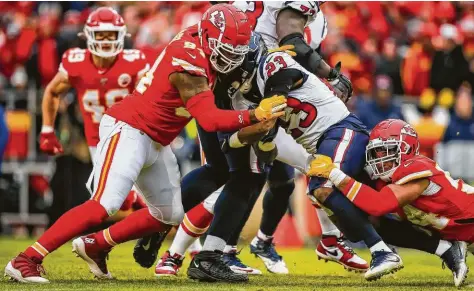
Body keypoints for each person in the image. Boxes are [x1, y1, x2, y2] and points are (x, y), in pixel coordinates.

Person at [4, 4, 286, 283]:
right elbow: (210, 120)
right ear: (209, 38)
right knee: (104, 204)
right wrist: (253, 114)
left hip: (157, 139)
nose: (231, 59)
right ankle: (26, 259)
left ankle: (97, 245)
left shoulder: (202, 39)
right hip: (130, 129)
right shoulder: (187, 63)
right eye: (226, 51)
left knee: (170, 214)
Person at [137, 1, 359, 276]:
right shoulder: (291, 11)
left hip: (226, 81)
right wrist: (330, 74)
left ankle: (172, 233)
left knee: (238, 174)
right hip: (240, 89)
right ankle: (196, 253)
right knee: (251, 174)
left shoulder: (297, 16)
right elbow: (295, 45)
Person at [187, 39, 403, 283]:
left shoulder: (273, 65)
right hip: (322, 143)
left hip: (340, 130)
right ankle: (433, 246)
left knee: (324, 187)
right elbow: (243, 136)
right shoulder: (240, 94)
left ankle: (379, 249)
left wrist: (263, 117)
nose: (232, 70)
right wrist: (251, 134)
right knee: (346, 195)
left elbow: (280, 91)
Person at [307, 119, 470, 287]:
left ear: (406, 149)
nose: (381, 158)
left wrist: (336, 175)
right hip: (457, 230)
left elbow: (379, 205)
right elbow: (358, 229)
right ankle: (447, 250)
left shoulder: (416, 167)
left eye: (387, 151)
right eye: (376, 152)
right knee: (373, 223)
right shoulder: (385, 182)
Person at [39, 7, 149, 214]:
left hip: (129, 136)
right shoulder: (76, 61)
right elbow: (52, 92)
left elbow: (152, 97)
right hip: (96, 141)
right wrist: (47, 129)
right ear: (88, 35)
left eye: (111, 35)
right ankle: (136, 203)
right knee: (118, 201)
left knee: (123, 197)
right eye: (100, 34)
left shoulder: (135, 61)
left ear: (121, 36)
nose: (106, 40)